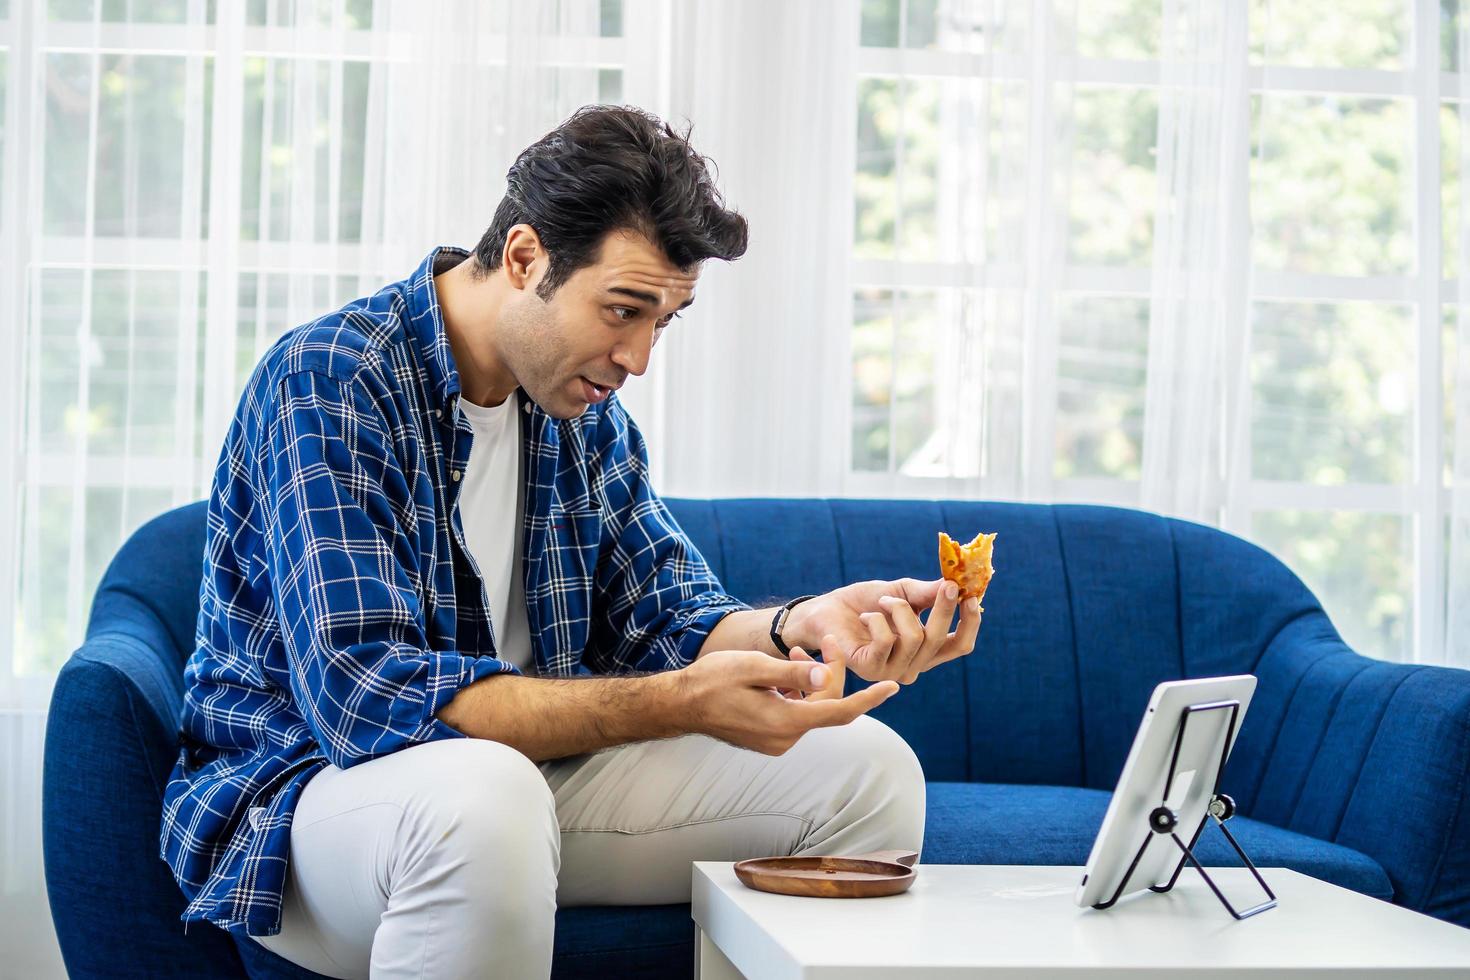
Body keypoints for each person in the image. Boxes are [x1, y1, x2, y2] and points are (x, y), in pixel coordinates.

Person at [160, 104, 982, 979]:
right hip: (315, 802)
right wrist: (676, 702)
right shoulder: (330, 382)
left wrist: (805, 626)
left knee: (867, 772)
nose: (637, 358)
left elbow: (671, 617)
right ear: (524, 259)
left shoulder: (582, 414)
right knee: (485, 795)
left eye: (663, 321)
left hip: (522, 783)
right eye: (623, 310)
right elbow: (370, 701)